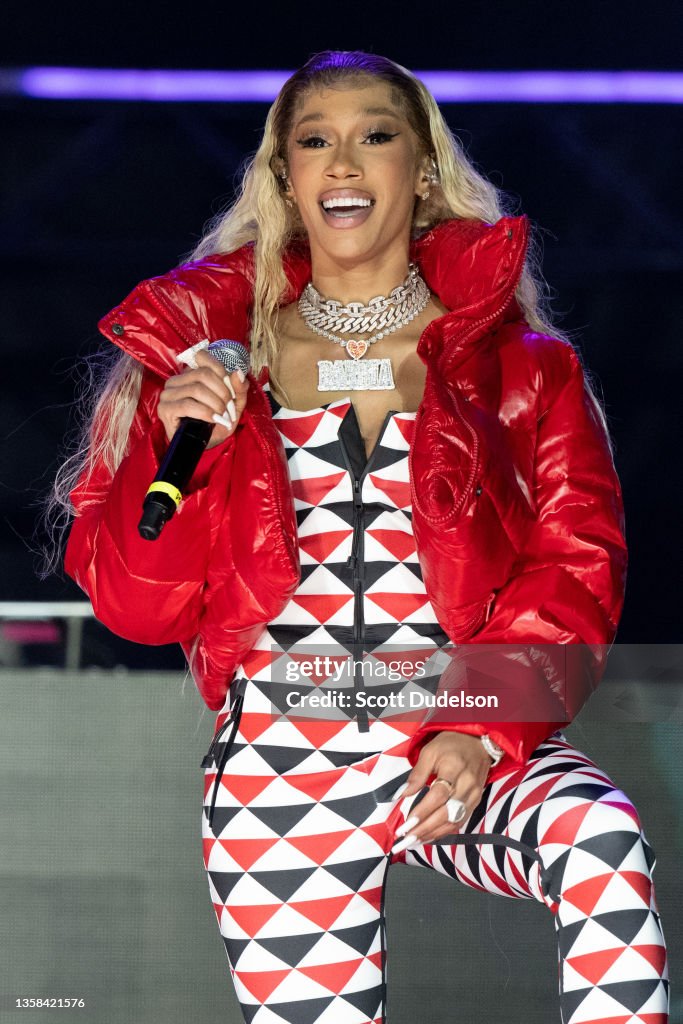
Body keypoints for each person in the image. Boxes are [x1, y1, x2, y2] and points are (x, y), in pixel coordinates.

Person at [53, 50, 668, 1024]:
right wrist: (181, 448)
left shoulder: (520, 368)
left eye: (373, 135)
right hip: (280, 747)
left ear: (420, 170)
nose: (342, 162)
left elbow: (573, 565)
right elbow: (136, 606)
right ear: (284, 178)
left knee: (594, 839)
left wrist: (481, 721)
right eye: (314, 141)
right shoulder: (204, 357)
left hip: (451, 707)